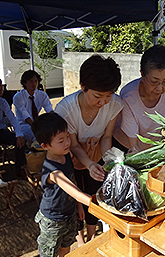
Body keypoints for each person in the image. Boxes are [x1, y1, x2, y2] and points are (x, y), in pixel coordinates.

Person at [55, 54, 123, 246]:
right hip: (73, 158)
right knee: (77, 198)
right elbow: (73, 145)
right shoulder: (66, 109)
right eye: (98, 96)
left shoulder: (115, 104)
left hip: (97, 155)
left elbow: (107, 136)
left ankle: (92, 235)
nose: (103, 102)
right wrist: (89, 163)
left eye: (108, 95)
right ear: (83, 86)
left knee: (95, 195)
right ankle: (80, 240)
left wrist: (107, 160)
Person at [31, 112, 91, 257]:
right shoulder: (52, 171)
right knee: (48, 249)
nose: (67, 143)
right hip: (52, 218)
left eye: (67, 137)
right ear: (45, 146)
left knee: (66, 244)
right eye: (61, 140)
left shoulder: (66, 156)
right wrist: (92, 202)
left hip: (69, 213)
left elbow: (74, 181)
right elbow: (70, 188)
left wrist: (79, 206)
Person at [113, 45, 165, 153]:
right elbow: (133, 144)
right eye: (154, 81)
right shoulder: (129, 96)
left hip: (151, 148)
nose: (160, 88)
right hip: (125, 147)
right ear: (142, 75)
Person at [13, 70, 53, 144]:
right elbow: (25, 115)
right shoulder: (18, 97)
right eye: (31, 81)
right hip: (23, 125)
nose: (34, 84)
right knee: (37, 136)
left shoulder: (42, 95)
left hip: (36, 123)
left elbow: (49, 109)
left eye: (36, 81)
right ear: (25, 83)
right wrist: (37, 127)